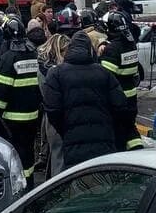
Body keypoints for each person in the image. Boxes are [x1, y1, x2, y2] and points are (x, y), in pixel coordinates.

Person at [43, 31, 127, 170]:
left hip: (73, 143)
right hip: (103, 141)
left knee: (78, 183)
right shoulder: (103, 73)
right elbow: (120, 106)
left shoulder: (56, 74)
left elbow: (52, 109)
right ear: (90, 50)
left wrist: (65, 129)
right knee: (104, 184)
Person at [0, 19, 42, 184]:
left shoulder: (8, 58)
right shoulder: (34, 54)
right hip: (33, 114)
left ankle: (18, 184)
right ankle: (30, 181)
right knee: (28, 150)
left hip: (12, 118)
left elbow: (1, 90)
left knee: (15, 152)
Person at [98, 11, 142, 151]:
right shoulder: (130, 44)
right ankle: (137, 152)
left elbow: (106, 77)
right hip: (131, 96)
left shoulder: (111, 49)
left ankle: (121, 160)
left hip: (117, 98)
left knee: (118, 131)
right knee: (130, 127)